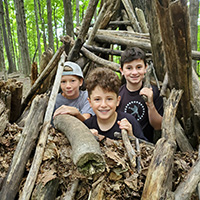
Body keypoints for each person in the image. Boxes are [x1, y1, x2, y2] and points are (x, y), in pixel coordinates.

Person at [83, 67, 147, 141]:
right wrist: (87, 137)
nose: (103, 105)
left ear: (117, 101)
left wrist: (131, 136)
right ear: (90, 102)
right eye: (97, 99)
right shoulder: (86, 126)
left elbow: (146, 147)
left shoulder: (129, 121)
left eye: (109, 99)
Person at [117, 47, 163, 143]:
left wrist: (150, 104)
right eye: (129, 68)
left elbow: (158, 126)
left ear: (145, 68)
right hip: (121, 142)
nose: (134, 72)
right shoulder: (117, 94)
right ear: (122, 70)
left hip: (146, 145)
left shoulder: (154, 92)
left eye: (139, 67)